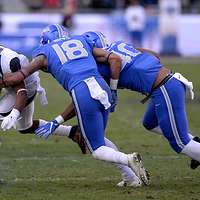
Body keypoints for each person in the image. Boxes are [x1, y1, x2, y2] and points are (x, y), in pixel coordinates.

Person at [0, 24, 150, 186]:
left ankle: (128, 159)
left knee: (97, 148)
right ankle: (131, 178)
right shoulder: (80, 40)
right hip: (102, 87)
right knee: (98, 137)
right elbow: (114, 58)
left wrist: (8, 81)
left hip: (82, 91)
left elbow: (21, 76)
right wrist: (113, 91)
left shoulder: (43, 53)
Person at [81, 31, 200, 171]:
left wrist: (114, 89)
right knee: (150, 123)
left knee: (180, 143)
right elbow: (154, 54)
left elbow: (115, 63)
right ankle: (195, 143)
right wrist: (148, 72)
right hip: (167, 83)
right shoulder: (118, 45)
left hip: (164, 88)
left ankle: (192, 146)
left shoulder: (104, 60)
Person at [0, 45, 86, 154]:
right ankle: (72, 132)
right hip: (12, 86)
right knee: (25, 127)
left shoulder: (8, 60)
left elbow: (21, 92)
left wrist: (15, 113)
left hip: (26, 86)